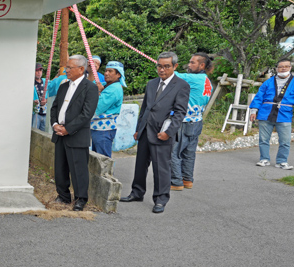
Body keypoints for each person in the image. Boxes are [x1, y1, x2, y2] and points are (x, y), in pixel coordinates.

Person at [120, 52, 190, 214]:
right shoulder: (152, 84)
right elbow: (145, 108)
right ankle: (137, 193)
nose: (162, 70)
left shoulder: (181, 86)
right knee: (140, 165)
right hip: (145, 130)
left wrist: (169, 132)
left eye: (166, 66)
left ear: (175, 67)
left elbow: (180, 113)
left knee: (161, 167)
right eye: (159, 66)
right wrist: (138, 128)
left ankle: (160, 199)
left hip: (162, 133)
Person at [50, 55, 99, 211]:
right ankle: (63, 196)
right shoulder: (64, 86)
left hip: (76, 135)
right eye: (67, 67)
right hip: (59, 133)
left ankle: (80, 198)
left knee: (78, 169)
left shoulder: (90, 87)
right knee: (60, 168)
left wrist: (68, 129)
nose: (67, 70)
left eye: (70, 67)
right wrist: (55, 124)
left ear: (81, 69)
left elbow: (87, 114)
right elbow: (54, 108)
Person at [249, 59, 294, 169]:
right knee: (263, 139)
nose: (283, 68)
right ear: (276, 68)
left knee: (285, 140)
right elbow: (259, 96)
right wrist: (254, 111)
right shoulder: (268, 82)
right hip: (266, 112)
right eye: (281, 66)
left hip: (284, 113)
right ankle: (264, 159)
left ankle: (282, 161)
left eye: (286, 66)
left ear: (290, 68)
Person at [170, 52, 214, 190]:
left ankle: (176, 181)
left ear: (201, 65)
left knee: (173, 151)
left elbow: (171, 75)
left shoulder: (194, 79)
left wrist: (164, 66)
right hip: (197, 121)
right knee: (188, 153)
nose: (189, 65)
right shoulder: (207, 81)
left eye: (192, 62)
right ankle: (187, 180)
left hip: (184, 121)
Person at [90, 61, 126, 158]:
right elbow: (90, 84)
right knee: (97, 158)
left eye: (110, 71)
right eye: (106, 71)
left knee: (103, 160)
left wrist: (99, 91)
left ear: (118, 74)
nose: (106, 73)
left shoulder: (114, 89)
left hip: (104, 130)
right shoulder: (107, 85)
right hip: (97, 129)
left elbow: (97, 107)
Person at [32, 63, 48, 132]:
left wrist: (46, 100)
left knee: (44, 133)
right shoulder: (30, 82)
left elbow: (53, 88)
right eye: (37, 70)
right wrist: (33, 101)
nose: (39, 72)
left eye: (40, 70)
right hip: (35, 113)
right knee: (34, 132)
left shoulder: (46, 81)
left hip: (45, 112)